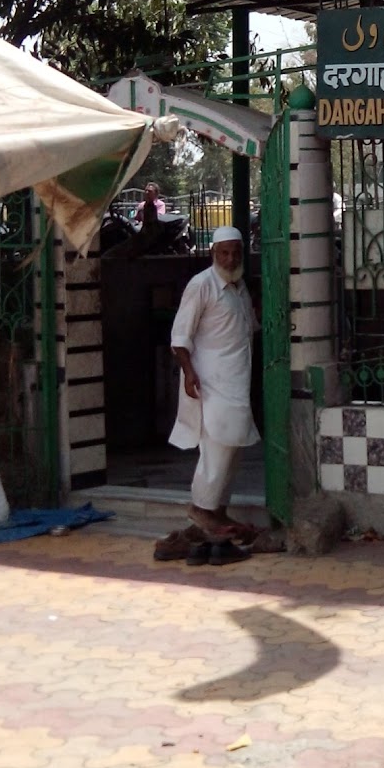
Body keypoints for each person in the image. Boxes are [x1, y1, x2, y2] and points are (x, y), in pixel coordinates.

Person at [169, 227, 259, 540]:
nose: (230, 258)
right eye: (224, 252)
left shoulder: (238, 286)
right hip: (210, 381)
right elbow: (180, 336)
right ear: (213, 253)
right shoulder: (201, 285)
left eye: (235, 252)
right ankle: (200, 508)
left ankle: (217, 508)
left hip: (236, 381)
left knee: (232, 445)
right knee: (217, 444)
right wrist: (189, 372)